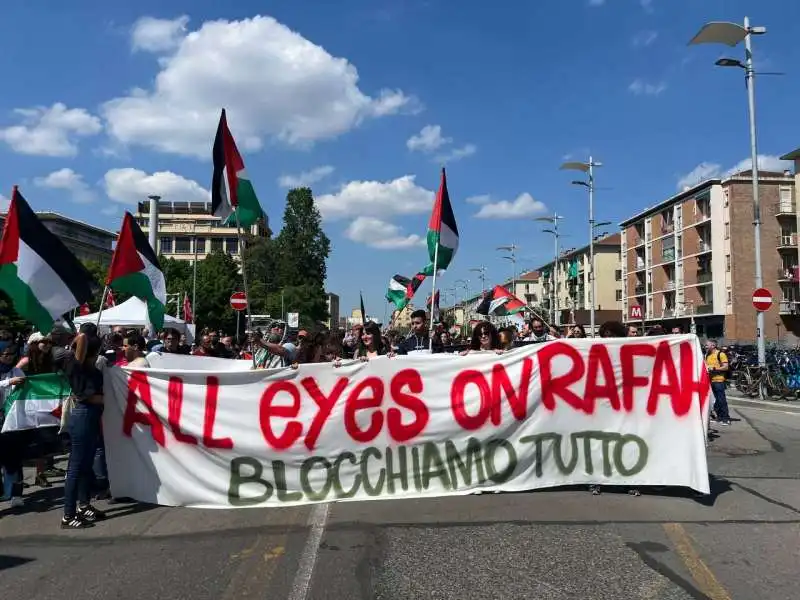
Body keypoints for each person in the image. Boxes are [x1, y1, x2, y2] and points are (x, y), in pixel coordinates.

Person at [57, 325, 106, 529]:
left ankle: (84, 505)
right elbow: (90, 397)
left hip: (92, 418)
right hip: (83, 416)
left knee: (86, 465)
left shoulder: (91, 369)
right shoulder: (78, 369)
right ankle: (68, 515)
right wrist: (83, 336)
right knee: (75, 467)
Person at [0, 344, 26, 507]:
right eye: (5, 354)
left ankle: (16, 494)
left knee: (14, 457)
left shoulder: (16, 371)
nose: (9, 356)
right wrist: (8, 382)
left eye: (11, 354)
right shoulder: (9, 376)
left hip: (12, 418)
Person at [705, 339, 731, 426]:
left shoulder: (721, 354)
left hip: (719, 380)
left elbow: (726, 367)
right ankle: (719, 417)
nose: (706, 346)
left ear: (713, 345)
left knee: (721, 400)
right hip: (711, 380)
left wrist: (714, 368)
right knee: (715, 401)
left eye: (707, 345)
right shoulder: (707, 355)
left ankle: (726, 418)